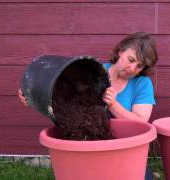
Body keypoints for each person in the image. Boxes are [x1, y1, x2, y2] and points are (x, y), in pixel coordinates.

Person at [18, 32, 158, 180]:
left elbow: (141, 122)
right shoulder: (95, 72)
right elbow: (62, 101)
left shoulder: (142, 84)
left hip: (121, 147)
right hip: (85, 144)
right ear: (121, 50)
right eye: (131, 60)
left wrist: (113, 105)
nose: (132, 68)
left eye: (139, 66)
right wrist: (32, 94)